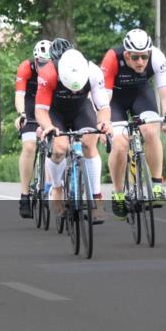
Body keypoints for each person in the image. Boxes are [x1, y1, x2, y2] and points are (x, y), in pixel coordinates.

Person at [101, 28, 166, 217]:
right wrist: (104, 126)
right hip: (114, 98)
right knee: (119, 145)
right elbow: (102, 98)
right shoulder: (112, 58)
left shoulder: (157, 57)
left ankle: (157, 186)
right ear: (126, 54)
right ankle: (118, 194)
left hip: (141, 94)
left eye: (144, 57)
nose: (141, 62)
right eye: (135, 58)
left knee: (151, 131)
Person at [35, 48, 112, 223]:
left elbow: (103, 107)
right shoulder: (48, 72)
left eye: (78, 89)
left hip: (80, 110)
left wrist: (104, 123)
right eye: (71, 88)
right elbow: (40, 110)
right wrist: (48, 127)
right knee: (59, 148)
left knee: (89, 143)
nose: (74, 92)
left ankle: (96, 200)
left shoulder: (93, 71)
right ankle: (56, 189)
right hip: (55, 112)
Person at [15, 39, 51, 218]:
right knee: (29, 146)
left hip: (48, 107)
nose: (43, 66)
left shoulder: (57, 69)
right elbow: (19, 95)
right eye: (40, 63)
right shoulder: (26, 67)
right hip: (30, 105)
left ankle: (51, 187)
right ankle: (25, 195)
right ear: (35, 60)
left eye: (47, 63)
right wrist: (22, 113)